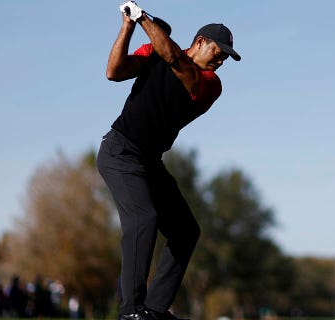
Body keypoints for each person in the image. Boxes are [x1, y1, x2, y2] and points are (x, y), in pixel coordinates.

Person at [96, 2, 241, 320]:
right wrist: (128, 27)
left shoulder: (209, 85)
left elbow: (175, 58)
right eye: (218, 51)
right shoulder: (153, 52)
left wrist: (143, 17)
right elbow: (114, 72)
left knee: (185, 230)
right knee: (143, 219)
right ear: (200, 41)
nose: (220, 60)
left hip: (149, 161)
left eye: (225, 58)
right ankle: (132, 311)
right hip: (120, 152)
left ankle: (155, 310)